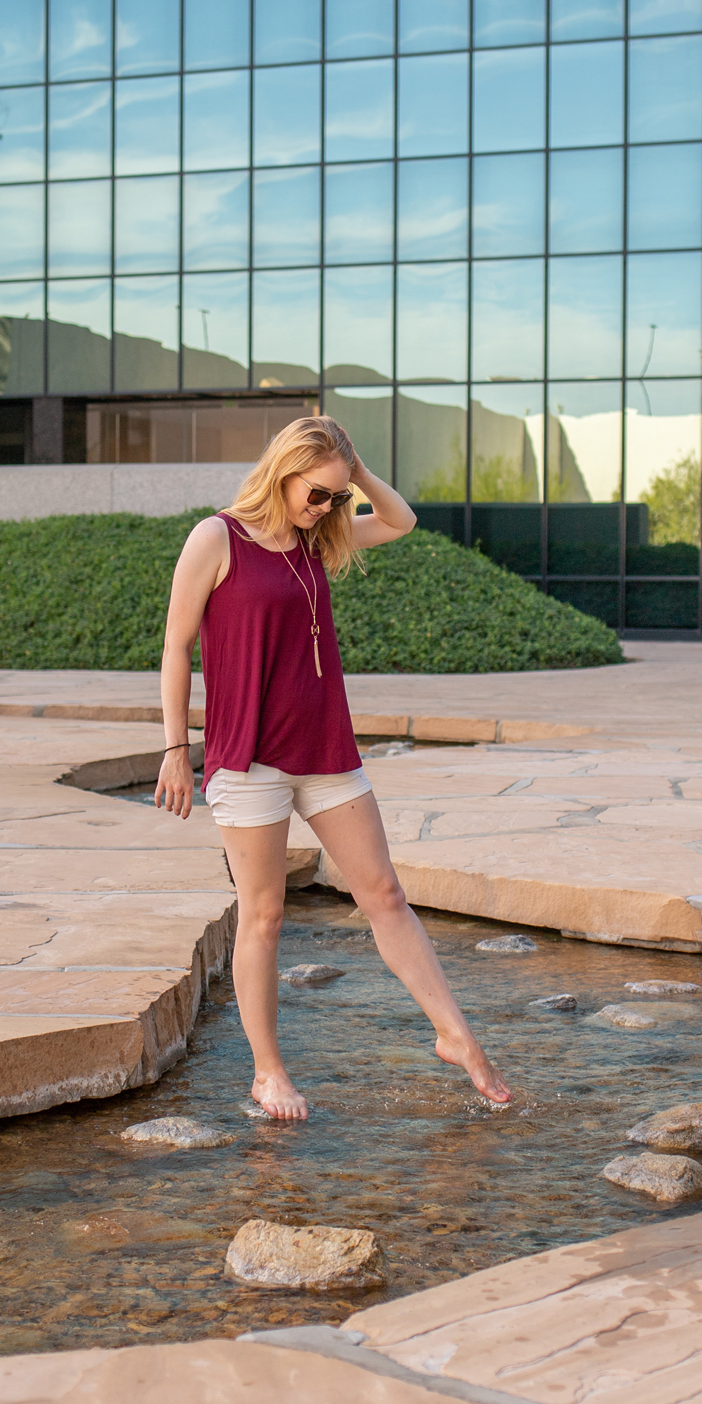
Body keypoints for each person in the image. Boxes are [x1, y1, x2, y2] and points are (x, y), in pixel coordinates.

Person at [155, 414, 511, 1120]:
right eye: (316, 494)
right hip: (248, 756)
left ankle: (455, 1035)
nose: (327, 509)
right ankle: (267, 1073)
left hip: (324, 751)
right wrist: (175, 748)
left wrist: (353, 466)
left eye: (336, 498)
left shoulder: (319, 540)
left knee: (383, 894)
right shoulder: (216, 538)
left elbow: (401, 520)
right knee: (263, 915)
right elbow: (175, 645)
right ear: (281, 473)